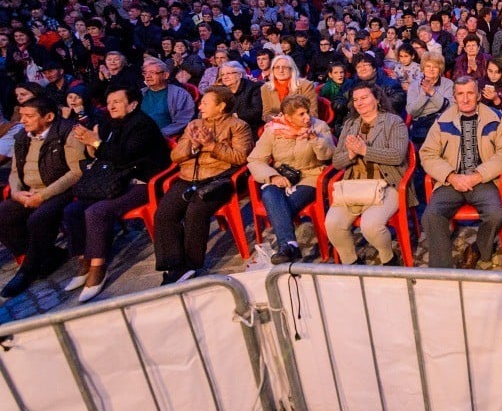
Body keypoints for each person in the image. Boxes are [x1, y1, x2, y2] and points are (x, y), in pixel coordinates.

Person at [62, 85, 170, 301]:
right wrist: (92, 146)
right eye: (109, 102)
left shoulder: (142, 125)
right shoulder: (109, 124)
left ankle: (98, 268)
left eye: (117, 102)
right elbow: (103, 155)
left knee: (97, 211)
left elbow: (124, 155)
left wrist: (95, 142)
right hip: (114, 180)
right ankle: (85, 260)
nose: (111, 106)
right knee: (73, 209)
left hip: (141, 181)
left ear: (132, 104)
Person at [154, 87, 253, 283]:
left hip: (219, 179)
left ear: (221, 106)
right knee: (164, 213)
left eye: (205, 103)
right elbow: (175, 156)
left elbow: (241, 157)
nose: (200, 106)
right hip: (188, 177)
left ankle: (191, 264)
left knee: (195, 211)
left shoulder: (239, 126)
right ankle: (174, 264)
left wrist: (210, 145)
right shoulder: (195, 124)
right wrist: (192, 145)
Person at [419, 77, 502, 269]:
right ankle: (442, 271)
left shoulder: (496, 118)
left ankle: (477, 248)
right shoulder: (442, 120)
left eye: (470, 93)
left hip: (483, 180)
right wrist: (450, 176)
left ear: (478, 95)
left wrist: (479, 175)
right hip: (451, 181)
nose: (465, 99)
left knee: (496, 215)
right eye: (460, 94)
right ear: (454, 97)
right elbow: (427, 154)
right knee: (431, 216)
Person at [0, 96, 84, 297]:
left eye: (29, 116)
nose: (23, 121)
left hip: (62, 190)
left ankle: (27, 271)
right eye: (22, 116)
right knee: (3, 214)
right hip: (29, 191)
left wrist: (44, 195)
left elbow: (76, 173)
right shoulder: (23, 136)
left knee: (40, 218)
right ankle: (50, 254)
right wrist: (16, 192)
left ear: (48, 117)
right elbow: (14, 170)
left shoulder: (66, 132)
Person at [326, 85, 409, 266]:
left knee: (370, 225)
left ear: (377, 99)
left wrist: (365, 150)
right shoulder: (350, 125)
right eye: (356, 100)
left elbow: (397, 155)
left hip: (386, 182)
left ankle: (388, 258)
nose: (359, 103)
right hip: (355, 184)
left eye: (364, 98)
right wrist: (350, 155)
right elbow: (336, 162)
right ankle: (351, 262)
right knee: (332, 223)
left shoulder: (393, 122)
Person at [247, 94, 335, 263]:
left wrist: (316, 140)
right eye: (301, 114)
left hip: (311, 176)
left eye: (307, 112)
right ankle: (290, 245)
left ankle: (286, 246)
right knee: (269, 193)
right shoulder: (273, 130)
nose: (307, 117)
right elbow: (255, 159)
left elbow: (328, 155)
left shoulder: (319, 126)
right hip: (282, 175)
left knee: (277, 207)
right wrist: (272, 176)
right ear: (288, 117)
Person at [140, 57, 195, 139]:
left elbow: (183, 121)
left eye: (152, 72)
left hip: (164, 137)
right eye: (145, 73)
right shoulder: (140, 93)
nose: (148, 76)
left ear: (165, 75)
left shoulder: (179, 94)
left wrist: (158, 134)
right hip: (138, 135)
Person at [406, 52, 453, 145]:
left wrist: (432, 93)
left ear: (440, 69)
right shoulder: (414, 86)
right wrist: (423, 95)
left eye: (435, 67)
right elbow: (411, 111)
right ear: (423, 68)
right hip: (421, 123)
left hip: (442, 121)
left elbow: (450, 108)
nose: (431, 69)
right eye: (428, 66)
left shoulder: (448, 84)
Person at [261, 54, 317, 122]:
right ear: (272, 70)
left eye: (284, 67)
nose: (281, 71)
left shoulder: (306, 85)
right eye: (277, 67)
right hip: (277, 124)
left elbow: (313, 113)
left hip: (302, 124)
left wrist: (290, 120)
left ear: (292, 69)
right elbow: (266, 114)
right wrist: (276, 118)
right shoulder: (265, 88)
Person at [218, 60, 264, 134]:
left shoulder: (254, 88)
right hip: (225, 127)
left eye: (229, 73)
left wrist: (235, 116)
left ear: (240, 75)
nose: (225, 77)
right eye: (223, 74)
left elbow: (257, 112)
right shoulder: (221, 91)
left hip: (248, 128)